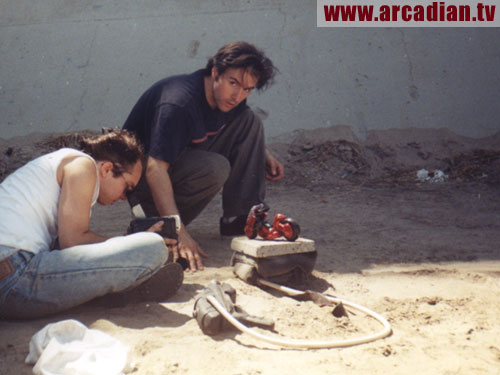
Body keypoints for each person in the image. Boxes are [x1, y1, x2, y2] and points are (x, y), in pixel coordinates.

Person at [123, 41, 284, 272]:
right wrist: (178, 230)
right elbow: (154, 169)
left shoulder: (229, 97)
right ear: (215, 72)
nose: (238, 95)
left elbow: (241, 123)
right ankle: (159, 227)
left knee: (250, 121)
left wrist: (263, 154)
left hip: (174, 162)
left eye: (248, 89)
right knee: (215, 167)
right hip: (141, 182)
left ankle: (240, 220)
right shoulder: (179, 102)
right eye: (233, 83)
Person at [0, 130, 183, 320]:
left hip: (11, 272)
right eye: (127, 188)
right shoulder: (82, 165)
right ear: (106, 169)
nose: (123, 197)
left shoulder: (62, 163)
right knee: (153, 247)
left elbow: (64, 247)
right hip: (15, 276)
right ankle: (124, 286)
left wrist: (121, 245)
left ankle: (118, 285)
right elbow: (72, 240)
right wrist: (129, 242)